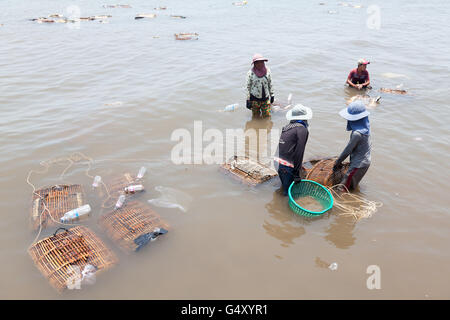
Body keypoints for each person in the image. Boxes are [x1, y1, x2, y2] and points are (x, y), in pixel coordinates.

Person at [274, 104, 312, 196]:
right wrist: (296, 174)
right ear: (305, 118)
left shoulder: (287, 127)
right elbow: (299, 152)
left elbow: (282, 147)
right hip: (288, 167)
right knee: (288, 195)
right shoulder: (302, 129)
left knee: (284, 189)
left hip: (278, 163)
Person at [333, 100, 371, 191]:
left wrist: (338, 162)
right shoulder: (365, 128)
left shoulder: (357, 134)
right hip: (364, 162)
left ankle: (340, 203)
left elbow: (348, 150)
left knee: (342, 188)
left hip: (359, 165)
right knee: (351, 186)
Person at [246, 54, 274, 118]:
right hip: (254, 99)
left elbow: (270, 83)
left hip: (265, 99)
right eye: (257, 62)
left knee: (267, 117)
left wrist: (272, 95)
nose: (260, 64)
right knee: (255, 117)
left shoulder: (268, 71)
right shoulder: (250, 73)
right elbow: (248, 87)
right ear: (254, 64)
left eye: (261, 62)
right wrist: (248, 100)